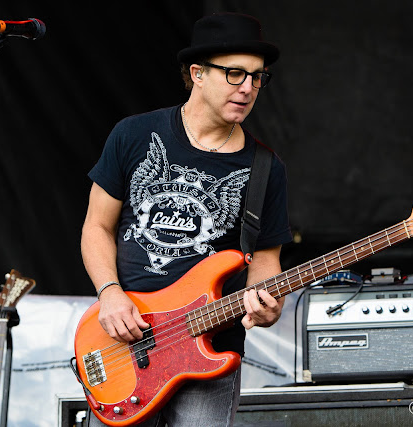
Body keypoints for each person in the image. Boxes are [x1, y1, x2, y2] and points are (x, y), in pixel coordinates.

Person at [81, 12, 292, 426]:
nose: (248, 88)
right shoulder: (134, 135)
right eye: (234, 74)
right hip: (126, 341)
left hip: (209, 347)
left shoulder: (266, 168)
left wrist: (270, 305)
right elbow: (96, 226)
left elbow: (266, 259)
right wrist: (108, 292)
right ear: (197, 73)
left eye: (257, 77)